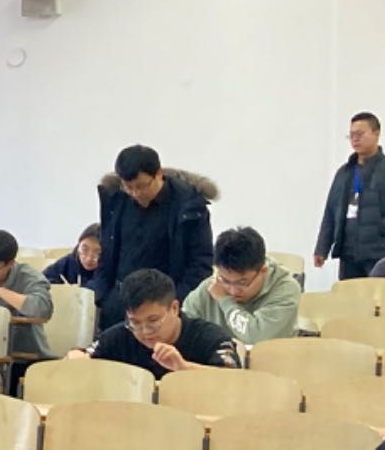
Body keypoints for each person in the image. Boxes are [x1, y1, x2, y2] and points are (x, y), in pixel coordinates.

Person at [91, 144, 215, 328]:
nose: (136, 193)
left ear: (159, 174)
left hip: (164, 307)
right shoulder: (116, 199)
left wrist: (174, 302)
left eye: (143, 186)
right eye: (129, 187)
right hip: (119, 302)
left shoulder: (189, 206)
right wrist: (103, 296)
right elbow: (107, 253)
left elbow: (200, 263)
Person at [68, 268, 240, 376]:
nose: (144, 331)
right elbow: (81, 356)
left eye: (153, 321)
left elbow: (235, 381)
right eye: (135, 323)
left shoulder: (209, 337)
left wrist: (183, 368)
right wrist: (76, 358)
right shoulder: (118, 337)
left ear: (174, 308)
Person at [315, 111, 385, 280]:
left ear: (376, 134)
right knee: (350, 295)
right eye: (351, 135)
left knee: (379, 295)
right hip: (348, 252)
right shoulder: (344, 172)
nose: (355, 139)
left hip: (381, 253)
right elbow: (330, 212)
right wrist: (322, 248)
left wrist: (381, 227)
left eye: (360, 134)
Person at [181, 227, 301, 346]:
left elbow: (257, 339)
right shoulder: (212, 287)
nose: (233, 291)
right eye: (226, 281)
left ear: (263, 271)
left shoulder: (286, 290)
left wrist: (225, 301)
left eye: (242, 283)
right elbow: (182, 327)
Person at [0, 227, 54, 363]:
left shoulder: (28, 277)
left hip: (24, 357)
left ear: (10, 263)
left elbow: (43, 309)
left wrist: (1, 292)